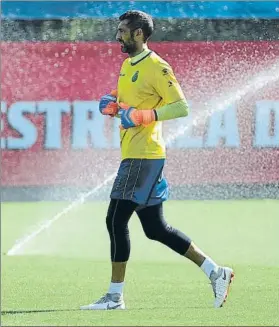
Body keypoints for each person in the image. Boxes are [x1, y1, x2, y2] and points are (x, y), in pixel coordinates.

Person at [80, 10, 234, 311]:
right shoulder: (127, 65)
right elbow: (129, 102)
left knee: (115, 219)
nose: (117, 36)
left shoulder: (157, 66)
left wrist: (146, 115)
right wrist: (112, 102)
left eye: (123, 30)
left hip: (144, 156)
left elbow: (181, 107)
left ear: (139, 33)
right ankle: (216, 272)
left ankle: (114, 297)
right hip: (137, 155)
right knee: (155, 228)